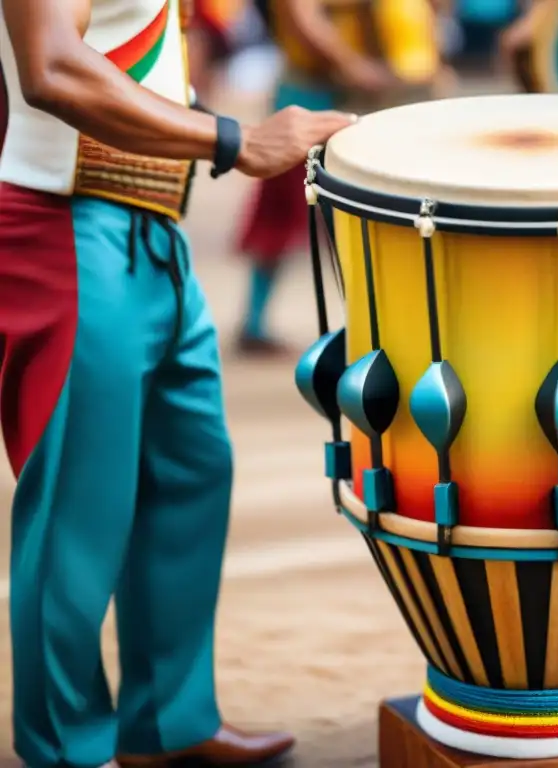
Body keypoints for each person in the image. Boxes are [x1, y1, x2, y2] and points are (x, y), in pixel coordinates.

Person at [0, 0, 354, 766]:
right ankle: (67, 751)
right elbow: (52, 68)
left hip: (153, 225)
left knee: (189, 475)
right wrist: (237, 139)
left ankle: (170, 722)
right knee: (77, 511)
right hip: (62, 222)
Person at [233, 0, 400, 357]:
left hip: (337, 94)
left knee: (342, 219)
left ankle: (366, 325)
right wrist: (354, 66)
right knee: (295, 216)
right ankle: (255, 322)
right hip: (309, 96)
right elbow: (304, 21)